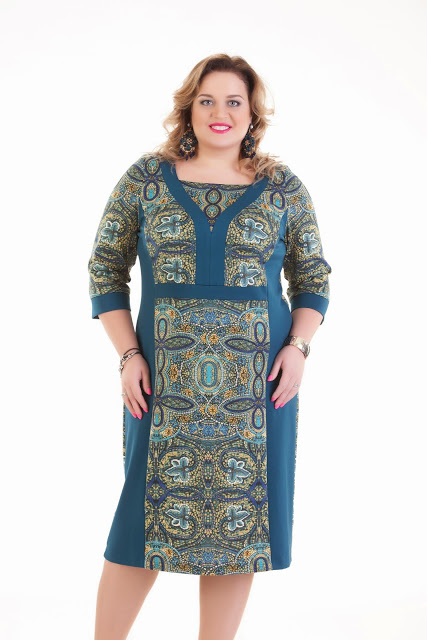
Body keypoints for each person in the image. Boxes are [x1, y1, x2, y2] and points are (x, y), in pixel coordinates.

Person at [88, 53, 332, 640]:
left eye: (233, 101)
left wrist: (299, 348)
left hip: (258, 386)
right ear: (189, 108)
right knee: (139, 522)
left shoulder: (283, 189)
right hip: (162, 383)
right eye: (207, 100)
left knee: (238, 525)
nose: (220, 112)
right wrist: (128, 355)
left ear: (252, 114)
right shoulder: (147, 180)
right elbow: (105, 269)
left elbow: (313, 278)